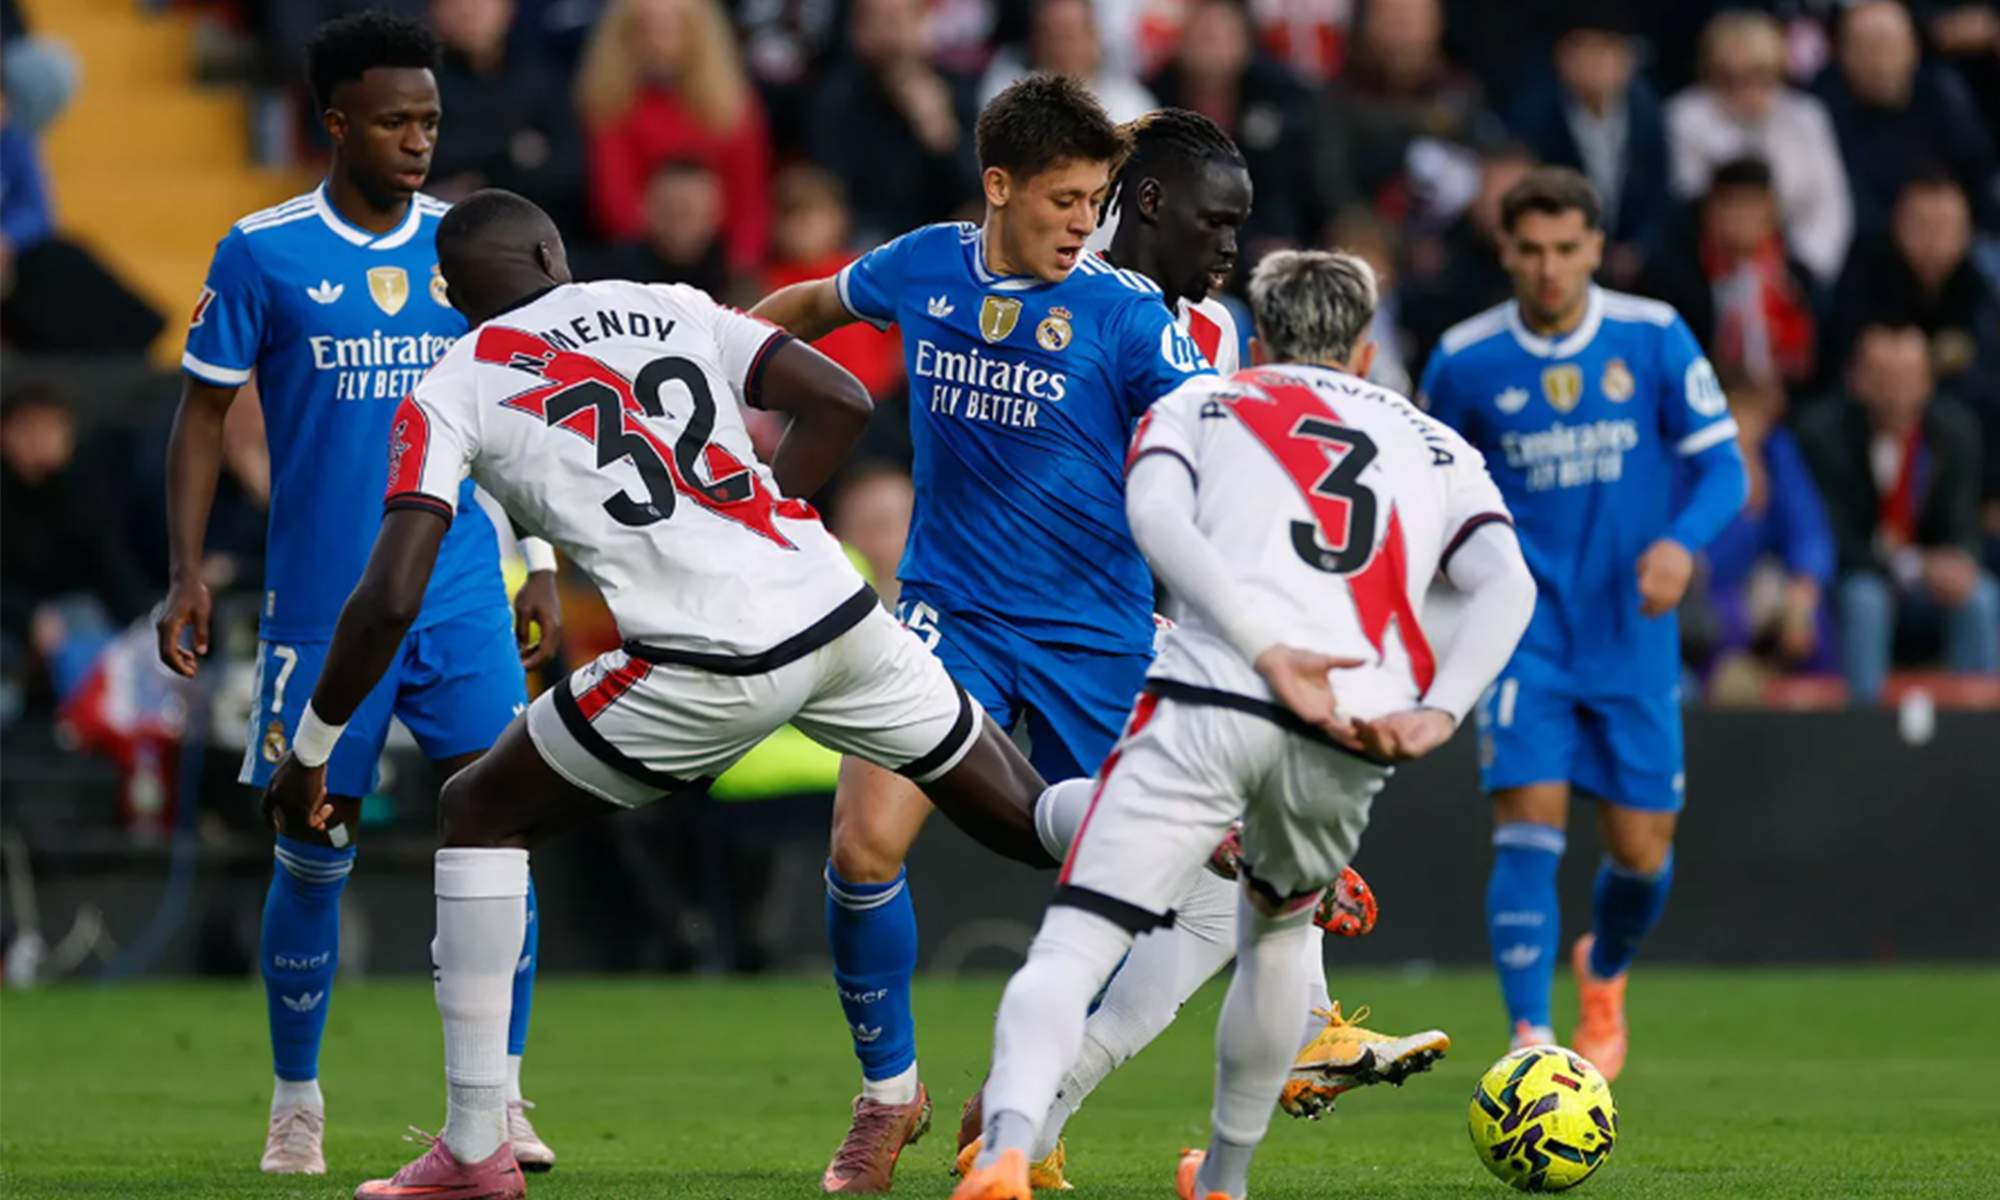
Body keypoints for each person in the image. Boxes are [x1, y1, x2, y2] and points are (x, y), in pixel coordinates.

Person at [260, 188, 1060, 1200]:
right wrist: (765, 529)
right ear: (554, 253)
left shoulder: (450, 383)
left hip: (702, 660)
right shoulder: (669, 303)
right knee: (1030, 817)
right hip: (839, 610)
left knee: (476, 813)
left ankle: (472, 1151)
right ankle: (1195, 832)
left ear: (448, 293)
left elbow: (387, 596)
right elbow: (843, 401)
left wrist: (314, 747)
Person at [954, 249, 1537, 1200]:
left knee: (1079, 939)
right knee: (1273, 942)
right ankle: (1223, 1181)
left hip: (1211, 700)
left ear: (1258, 340)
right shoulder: (1430, 441)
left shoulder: (1204, 404)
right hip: (1343, 732)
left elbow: (1155, 519)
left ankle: (1009, 1148)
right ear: (1361, 352)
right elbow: (1507, 584)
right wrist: (1439, 712)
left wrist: (1260, 643)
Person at [152, 13, 564, 1176]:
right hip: (321, 611)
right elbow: (200, 416)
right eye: (395, 121)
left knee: (501, 838)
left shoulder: (468, 250)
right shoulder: (263, 250)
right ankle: (296, 1099)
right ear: (334, 123)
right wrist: (186, 571)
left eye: (430, 120)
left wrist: (535, 562)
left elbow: (517, 428)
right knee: (309, 845)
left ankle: (503, 1098)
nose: (419, 141)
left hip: (463, 597)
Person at [1419, 166, 1749, 1080]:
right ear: (1507, 252)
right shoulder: (1466, 358)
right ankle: (1531, 1040)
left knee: (1642, 855)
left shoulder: (1651, 337)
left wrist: (1681, 544)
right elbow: (1429, 489)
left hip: (1633, 636)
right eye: (1531, 251)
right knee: (1529, 825)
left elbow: (1724, 470)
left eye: (1567, 250)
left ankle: (1602, 970)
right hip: (1523, 634)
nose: (1550, 268)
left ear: (1596, 248)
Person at [1797, 325, 1998, 703]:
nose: (1898, 393)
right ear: (1857, 380)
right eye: (1884, 378)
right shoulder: (1824, 435)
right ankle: (1866, 732)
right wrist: (1914, 566)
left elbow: (1963, 523)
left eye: (1909, 378)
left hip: (1930, 585)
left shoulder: (1955, 432)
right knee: (1865, 600)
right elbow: (1837, 538)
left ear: (1927, 383)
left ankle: (1981, 735)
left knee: (1981, 596)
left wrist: (1960, 561)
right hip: (1859, 576)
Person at [575, 0, 772, 272]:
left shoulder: (732, 104)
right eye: (647, 28)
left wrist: (740, 267)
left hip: (720, 261)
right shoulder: (611, 103)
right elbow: (614, 198)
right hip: (639, 260)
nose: (659, 39)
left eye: (672, 26)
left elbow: (749, 198)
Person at [1665, 8, 1852, 288]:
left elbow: (1830, 209)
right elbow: (1688, 198)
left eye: (1758, 75)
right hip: (1711, 269)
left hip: (1797, 268)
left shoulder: (1806, 117)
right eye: (1730, 77)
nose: (1745, 89)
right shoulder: (1687, 116)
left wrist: (1802, 268)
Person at [1504, 10, 1670, 287]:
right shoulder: (1532, 116)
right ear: (1561, 56)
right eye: (1584, 48)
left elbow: (1659, 194)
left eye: (1605, 49)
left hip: (1634, 261)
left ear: (1627, 59)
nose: (1595, 62)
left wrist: (1639, 247)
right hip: (1558, 255)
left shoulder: (1647, 112)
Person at [804, 0, 982, 247]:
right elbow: (831, 185)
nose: (893, 33)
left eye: (901, 19)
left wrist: (939, 130)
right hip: (863, 242)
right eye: (879, 21)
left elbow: (975, 190)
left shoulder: (958, 89)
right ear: (858, 30)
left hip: (942, 238)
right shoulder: (836, 96)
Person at [1813, 0, 1999, 237]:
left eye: (1889, 46)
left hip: (1956, 240)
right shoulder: (1822, 110)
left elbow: (1979, 172)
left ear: (1913, 48)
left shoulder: (1941, 93)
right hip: (1866, 246)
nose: (1879, 62)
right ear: (1841, 55)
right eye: (1866, 48)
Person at [979, 0, 1158, 122]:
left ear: (1092, 36)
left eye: (1068, 35)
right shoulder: (1008, 89)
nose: (1059, 47)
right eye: (1050, 35)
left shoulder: (1129, 102)